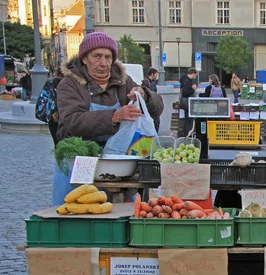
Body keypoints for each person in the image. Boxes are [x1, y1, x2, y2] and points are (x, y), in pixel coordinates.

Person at [54, 31, 164, 206]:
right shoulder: (69, 84)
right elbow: (73, 121)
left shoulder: (123, 81)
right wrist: (113, 117)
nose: (103, 63)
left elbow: (157, 109)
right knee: (76, 211)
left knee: (122, 210)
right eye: (96, 56)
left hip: (119, 162)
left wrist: (145, 95)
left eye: (108, 57)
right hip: (80, 159)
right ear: (84, 58)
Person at [180, 67, 198, 136]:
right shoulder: (187, 81)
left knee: (188, 119)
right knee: (188, 120)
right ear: (192, 74)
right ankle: (187, 134)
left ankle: (187, 134)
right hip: (187, 103)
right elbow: (185, 93)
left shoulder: (184, 80)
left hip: (185, 103)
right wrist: (193, 89)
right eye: (195, 75)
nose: (195, 77)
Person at [141, 67, 160, 132]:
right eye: (156, 74)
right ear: (152, 74)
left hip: (153, 104)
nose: (157, 76)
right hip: (150, 105)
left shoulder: (152, 82)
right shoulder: (146, 82)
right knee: (154, 122)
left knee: (156, 122)